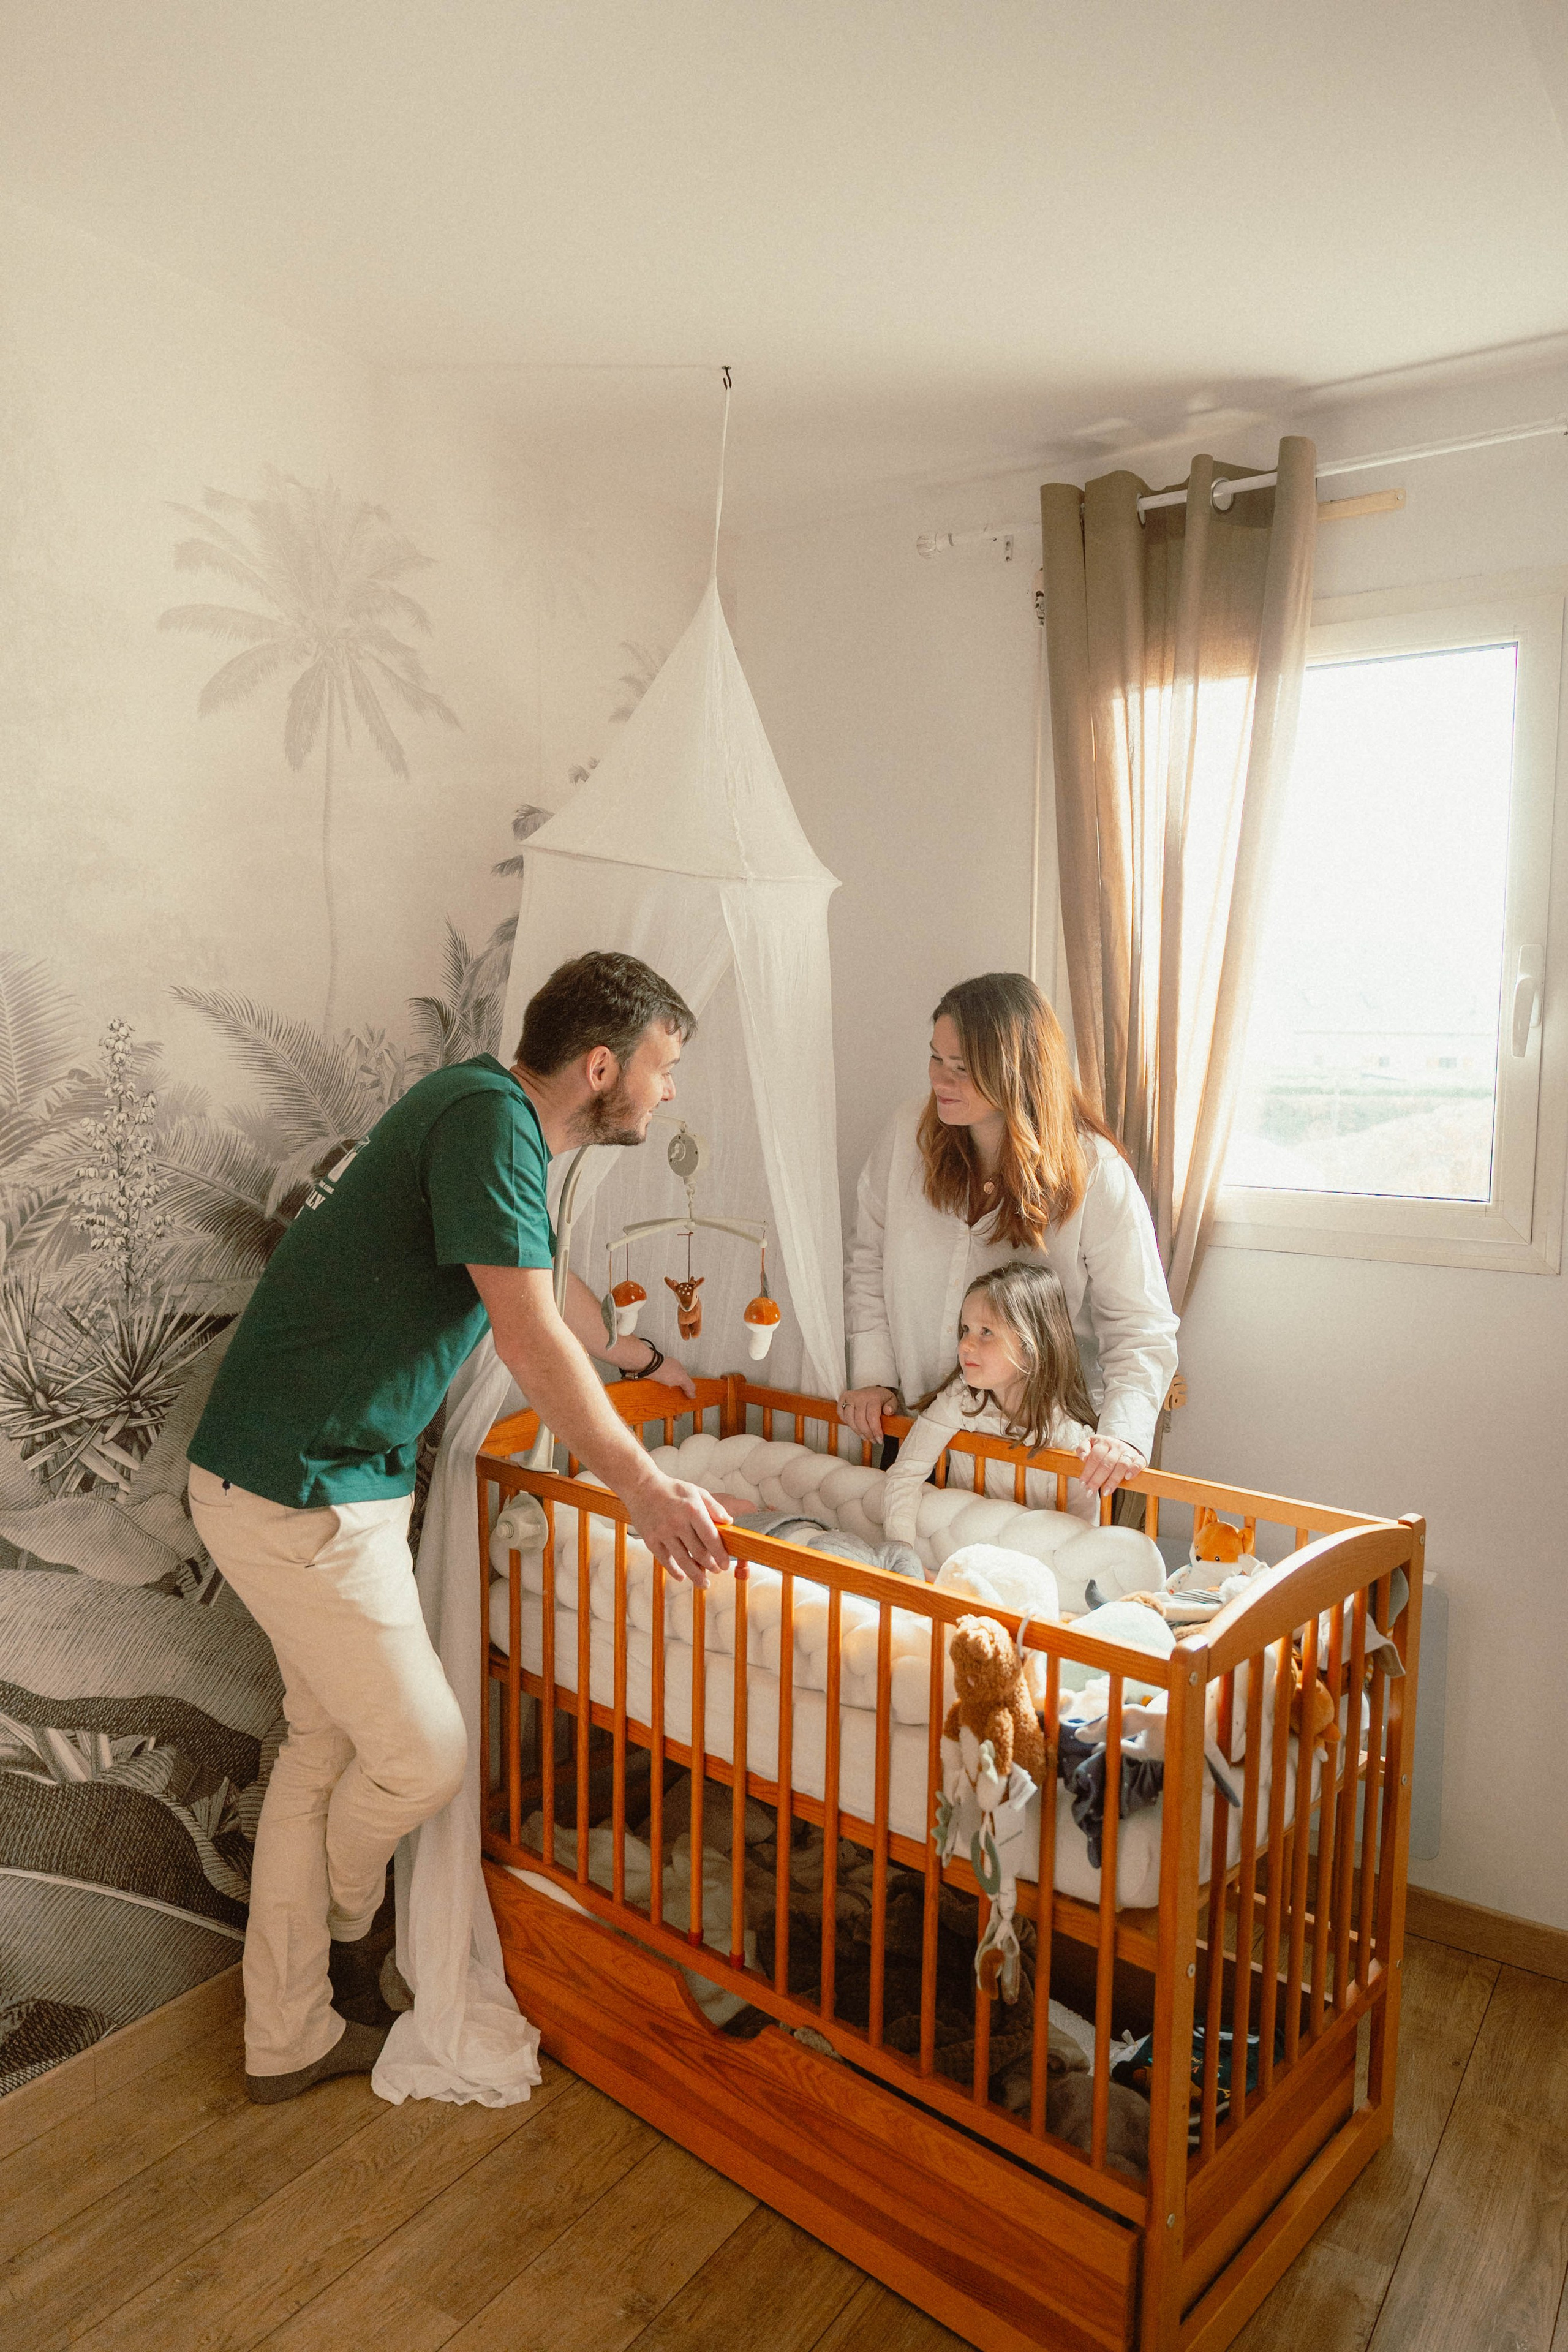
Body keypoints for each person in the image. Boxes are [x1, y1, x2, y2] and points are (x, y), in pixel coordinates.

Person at [187, 951, 732, 2105]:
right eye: (662, 1067)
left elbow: (541, 1286)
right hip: (301, 1488)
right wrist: (643, 1488)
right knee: (426, 1756)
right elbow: (527, 1339)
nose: (668, 1091)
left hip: (325, 1477)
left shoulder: (485, 1116)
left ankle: (285, 2034)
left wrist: (633, 1355)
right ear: (602, 1065)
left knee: (322, 1748)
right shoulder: (487, 1120)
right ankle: (345, 1927)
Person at [839, 972, 1177, 1494]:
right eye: (936, 1059)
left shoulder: (1095, 1169)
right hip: (921, 1425)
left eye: (964, 1069)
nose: (940, 1081)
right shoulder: (909, 1135)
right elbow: (869, 1260)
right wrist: (874, 1375)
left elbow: (1139, 1324)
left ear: (1015, 1073)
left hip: (1035, 1445)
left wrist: (1123, 1435)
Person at [881, 1262, 1100, 1551]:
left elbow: (1083, 1540)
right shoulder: (960, 1399)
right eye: (966, 1329)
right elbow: (906, 1473)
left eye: (986, 1332)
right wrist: (901, 1549)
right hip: (959, 1548)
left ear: (1029, 1348)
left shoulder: (1069, 1437)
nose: (965, 1346)